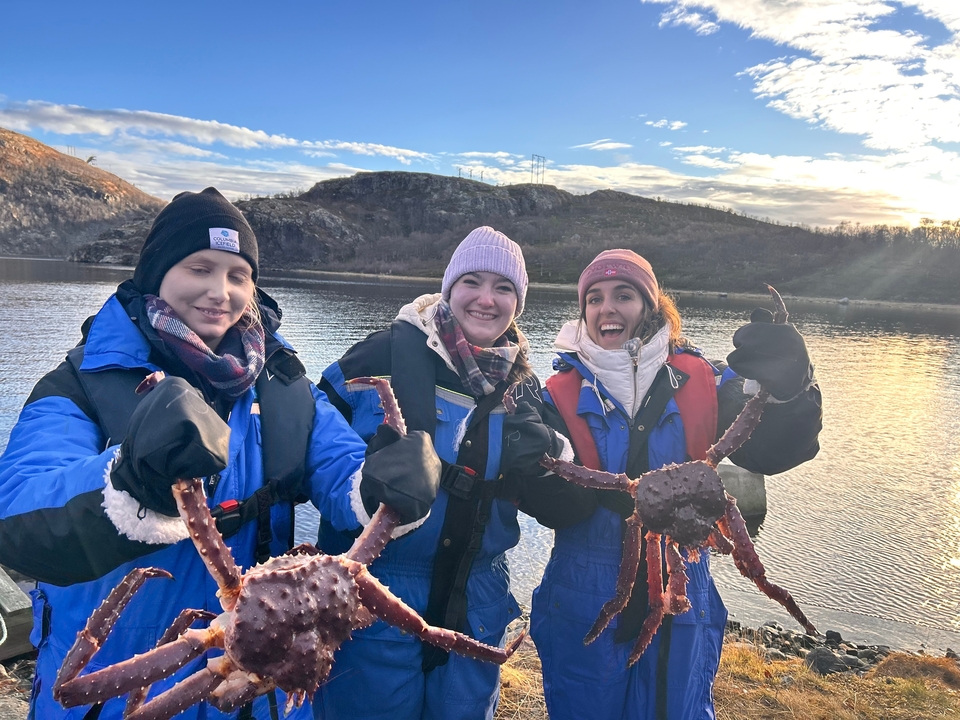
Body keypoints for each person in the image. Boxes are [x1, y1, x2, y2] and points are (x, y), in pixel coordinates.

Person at [0, 187, 441, 720]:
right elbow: (18, 520)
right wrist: (130, 479)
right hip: (116, 685)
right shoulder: (80, 385)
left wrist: (384, 485)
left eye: (238, 275)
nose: (220, 291)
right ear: (155, 274)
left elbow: (343, 472)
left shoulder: (283, 385)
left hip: (261, 689)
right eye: (199, 268)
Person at [530, 249, 823, 720]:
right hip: (580, 590)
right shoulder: (552, 396)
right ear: (583, 312)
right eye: (595, 298)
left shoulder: (707, 380)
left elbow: (773, 446)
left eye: (624, 295)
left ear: (651, 305)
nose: (608, 308)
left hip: (687, 584)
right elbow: (537, 483)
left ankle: (793, 611)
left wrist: (792, 391)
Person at [314, 226, 590, 720]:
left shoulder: (524, 389)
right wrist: (362, 475)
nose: (487, 299)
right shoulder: (378, 357)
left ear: (518, 303)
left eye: (503, 288)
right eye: (472, 282)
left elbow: (566, 503)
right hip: (371, 599)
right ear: (448, 289)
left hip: (477, 603)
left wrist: (554, 453)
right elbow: (308, 450)